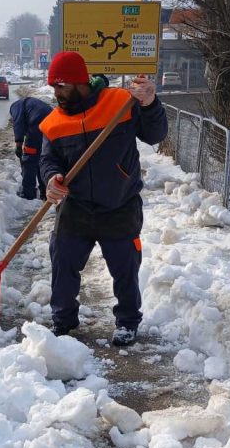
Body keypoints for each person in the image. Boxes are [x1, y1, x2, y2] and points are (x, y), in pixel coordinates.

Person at [39, 50, 168, 347]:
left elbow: (155, 134)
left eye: (61, 86)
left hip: (120, 204)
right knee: (63, 262)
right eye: (54, 86)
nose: (56, 93)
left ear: (79, 81)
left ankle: (127, 322)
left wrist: (150, 104)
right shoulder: (52, 123)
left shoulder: (120, 102)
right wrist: (52, 178)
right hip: (76, 207)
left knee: (125, 269)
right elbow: (48, 160)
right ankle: (63, 319)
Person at [9, 95, 53, 200]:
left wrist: (18, 144)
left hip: (38, 125)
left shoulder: (15, 107)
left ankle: (28, 193)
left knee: (29, 159)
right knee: (41, 159)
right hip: (52, 124)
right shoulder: (30, 104)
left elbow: (18, 124)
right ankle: (45, 191)